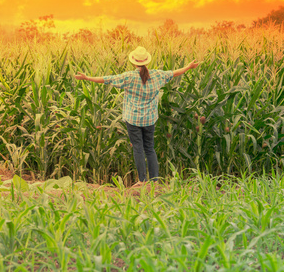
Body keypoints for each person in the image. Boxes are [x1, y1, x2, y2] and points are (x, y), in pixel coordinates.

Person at [74, 46, 200, 187]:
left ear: (134, 62)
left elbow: (106, 79)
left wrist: (86, 78)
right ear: (147, 61)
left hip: (133, 119)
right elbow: (174, 73)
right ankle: (155, 181)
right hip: (149, 119)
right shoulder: (158, 75)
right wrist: (188, 67)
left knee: (138, 148)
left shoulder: (129, 76)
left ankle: (142, 181)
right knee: (150, 148)